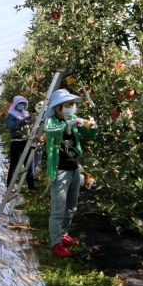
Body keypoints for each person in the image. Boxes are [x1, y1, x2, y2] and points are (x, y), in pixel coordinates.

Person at [44, 88, 98, 258]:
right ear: (58, 107)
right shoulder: (51, 121)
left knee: (71, 206)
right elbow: (50, 131)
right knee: (58, 208)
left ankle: (64, 234)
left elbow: (89, 134)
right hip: (59, 169)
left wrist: (93, 127)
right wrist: (67, 124)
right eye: (68, 104)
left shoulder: (74, 119)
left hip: (75, 168)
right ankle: (56, 243)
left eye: (72, 104)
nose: (71, 107)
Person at [5, 95, 35, 192]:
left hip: (26, 141)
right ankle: (10, 186)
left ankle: (31, 186)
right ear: (15, 104)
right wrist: (20, 122)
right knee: (14, 164)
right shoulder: (11, 115)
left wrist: (31, 120)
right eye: (19, 104)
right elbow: (11, 127)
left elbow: (30, 125)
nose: (21, 106)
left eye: (23, 104)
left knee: (28, 163)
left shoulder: (26, 114)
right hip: (16, 141)